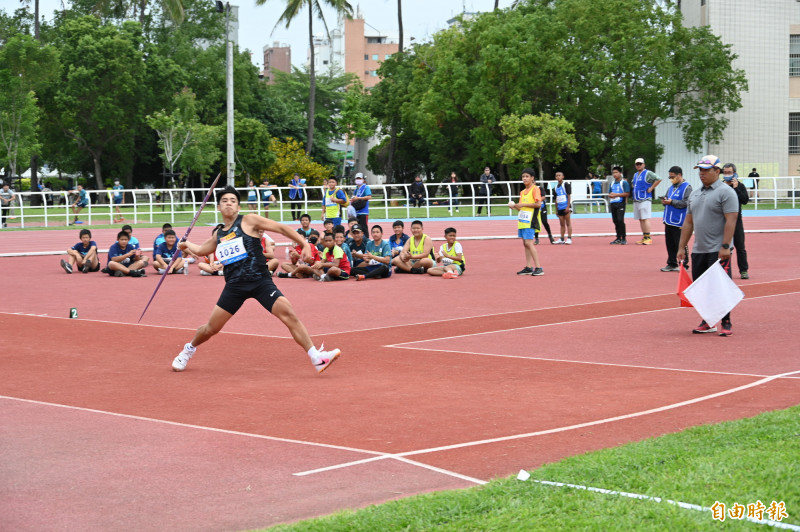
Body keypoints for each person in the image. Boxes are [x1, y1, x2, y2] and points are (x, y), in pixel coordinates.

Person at [172, 185, 341, 373]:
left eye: (233, 201)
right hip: (235, 286)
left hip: (260, 281)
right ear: (219, 207)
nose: (229, 204)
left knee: (288, 312)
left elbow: (281, 228)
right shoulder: (218, 234)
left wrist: (304, 243)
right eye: (225, 201)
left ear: (238, 207)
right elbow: (202, 250)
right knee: (211, 328)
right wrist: (185, 245)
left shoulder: (249, 220)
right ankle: (189, 349)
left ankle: (316, 357)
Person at [677, 155, 739, 337]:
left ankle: (726, 321)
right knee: (702, 287)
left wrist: (726, 245)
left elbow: (731, 219)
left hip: (718, 249)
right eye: (700, 170)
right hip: (699, 249)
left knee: (721, 287)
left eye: (706, 170)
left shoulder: (726, 192)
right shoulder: (695, 194)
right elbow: (688, 223)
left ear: (717, 171)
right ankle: (708, 320)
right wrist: (682, 247)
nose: (702, 174)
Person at [509, 168, 544, 276]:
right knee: (525, 243)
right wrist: (514, 207)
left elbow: (538, 204)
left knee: (529, 242)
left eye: (527, 176)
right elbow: (521, 208)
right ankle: (529, 267)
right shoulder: (522, 192)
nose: (524, 178)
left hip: (531, 220)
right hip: (523, 220)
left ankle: (539, 268)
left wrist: (523, 205)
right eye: (523, 176)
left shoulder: (535, 189)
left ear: (532, 178)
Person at [659, 166, 692, 272]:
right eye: (670, 177)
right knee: (670, 243)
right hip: (668, 220)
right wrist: (665, 201)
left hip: (679, 221)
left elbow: (687, 203)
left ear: (679, 175)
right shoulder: (671, 187)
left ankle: (684, 264)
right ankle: (672, 263)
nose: (671, 179)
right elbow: (667, 198)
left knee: (681, 243)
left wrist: (672, 202)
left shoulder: (687, 187)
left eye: (673, 177)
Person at [722, 163, 750, 279]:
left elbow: (745, 200)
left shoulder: (740, 186)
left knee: (740, 246)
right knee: (723, 246)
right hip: (722, 221)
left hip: (736, 221)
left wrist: (736, 187)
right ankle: (723, 270)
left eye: (729, 172)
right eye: (725, 172)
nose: (727, 175)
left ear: (734, 173)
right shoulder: (720, 186)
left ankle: (743, 270)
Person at [631, 157, 662, 245]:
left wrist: (651, 188)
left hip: (645, 199)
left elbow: (659, 179)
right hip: (636, 199)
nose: (638, 165)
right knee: (641, 219)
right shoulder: (635, 174)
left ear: (644, 164)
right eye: (637, 164)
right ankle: (644, 237)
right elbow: (634, 183)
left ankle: (648, 237)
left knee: (645, 218)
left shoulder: (648, 173)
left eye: (640, 164)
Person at [608, 166, 631, 244]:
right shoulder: (612, 183)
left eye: (616, 172)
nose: (614, 174)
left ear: (620, 173)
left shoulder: (624, 182)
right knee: (615, 221)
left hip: (620, 204)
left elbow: (627, 193)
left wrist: (616, 195)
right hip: (613, 203)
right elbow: (610, 193)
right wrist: (610, 195)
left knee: (620, 220)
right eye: (613, 173)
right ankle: (618, 238)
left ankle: (624, 238)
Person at [551, 171, 573, 244]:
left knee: (568, 223)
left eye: (559, 175)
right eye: (556, 176)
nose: (558, 177)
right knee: (562, 224)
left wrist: (568, 206)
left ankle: (569, 238)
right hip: (560, 208)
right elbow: (556, 199)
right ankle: (562, 239)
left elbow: (569, 196)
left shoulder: (566, 184)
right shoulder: (555, 187)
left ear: (563, 176)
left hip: (566, 207)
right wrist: (556, 210)